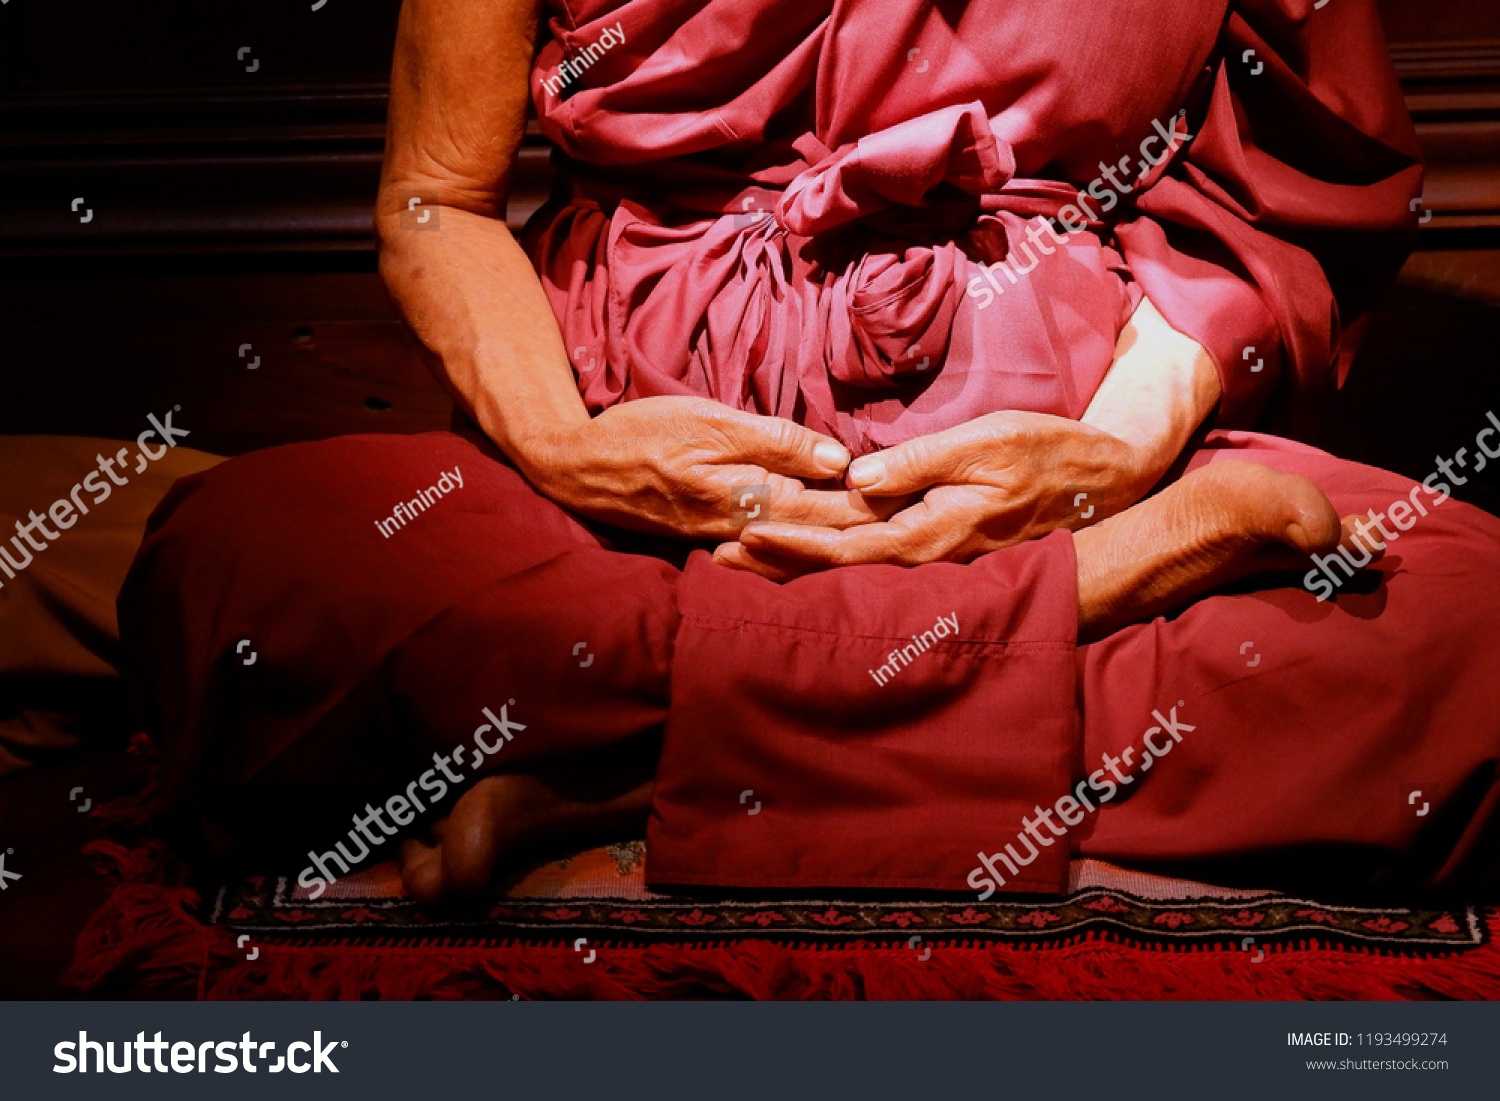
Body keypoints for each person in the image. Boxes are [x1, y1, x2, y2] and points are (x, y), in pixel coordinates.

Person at [121, 0, 1500, 904]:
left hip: (1054, 486)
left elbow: (1284, 211)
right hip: (620, 513)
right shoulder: (592, 471)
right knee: (247, 569)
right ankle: (1052, 639)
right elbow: (435, 196)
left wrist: (1108, 460)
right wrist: (571, 449)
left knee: (1472, 629)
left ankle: (617, 787)